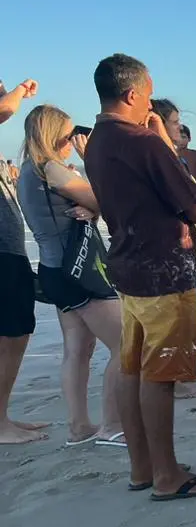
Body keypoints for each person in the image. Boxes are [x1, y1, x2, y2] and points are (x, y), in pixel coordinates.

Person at [82, 53, 196, 499]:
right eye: (146, 94)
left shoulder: (99, 141)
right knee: (159, 373)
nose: (150, 103)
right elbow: (194, 202)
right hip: (162, 268)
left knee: (133, 365)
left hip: (128, 264)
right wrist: (164, 140)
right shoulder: (142, 141)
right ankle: (167, 475)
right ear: (131, 94)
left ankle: (143, 467)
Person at [16, 104, 126, 447]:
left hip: (54, 271)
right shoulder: (52, 168)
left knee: (77, 349)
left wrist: (90, 207)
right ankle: (112, 425)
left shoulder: (28, 171)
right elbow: (111, 200)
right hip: (80, 270)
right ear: (52, 136)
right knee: (127, 344)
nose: (71, 141)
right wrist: (91, 172)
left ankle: (80, 427)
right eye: (67, 135)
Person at [0, 75, 50, 444]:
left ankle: (2, 416)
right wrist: (18, 91)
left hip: (9, 249)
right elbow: (5, 110)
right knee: (13, 333)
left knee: (15, 333)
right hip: (2, 252)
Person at [177, 123, 196, 187]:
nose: (180, 140)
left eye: (183, 137)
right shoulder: (169, 155)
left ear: (189, 138)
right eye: (178, 137)